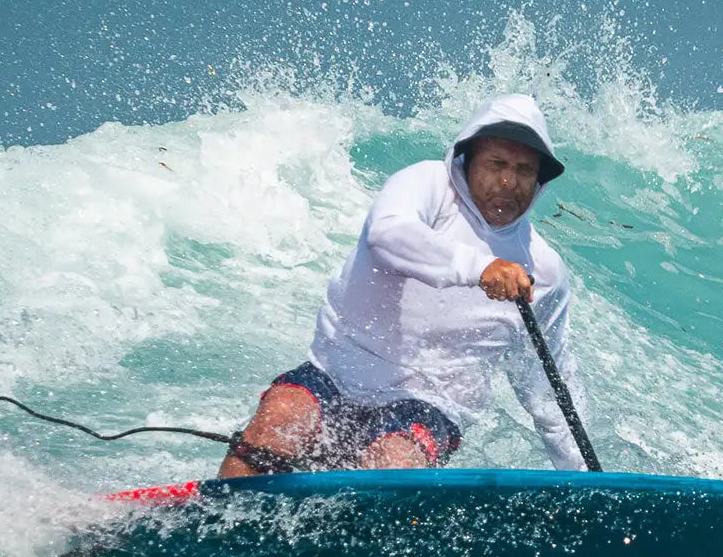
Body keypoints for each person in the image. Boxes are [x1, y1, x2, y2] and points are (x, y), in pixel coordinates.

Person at [219, 93, 589, 477]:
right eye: (496, 164)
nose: (509, 181)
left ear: (539, 180)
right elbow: (387, 234)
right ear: (469, 160)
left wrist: (583, 476)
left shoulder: (542, 270)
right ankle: (220, 522)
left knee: (392, 460)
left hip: (431, 405)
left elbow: (549, 384)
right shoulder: (427, 184)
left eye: (524, 170)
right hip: (336, 373)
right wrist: (480, 267)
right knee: (280, 419)